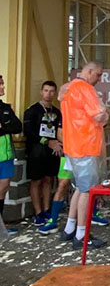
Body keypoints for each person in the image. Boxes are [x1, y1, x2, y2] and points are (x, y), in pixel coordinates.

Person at [59, 62, 107, 249]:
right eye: (98, 75)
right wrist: (105, 111)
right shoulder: (86, 89)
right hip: (86, 144)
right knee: (87, 191)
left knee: (80, 188)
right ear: (89, 71)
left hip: (71, 145)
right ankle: (81, 234)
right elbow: (98, 116)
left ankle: (69, 228)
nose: (99, 79)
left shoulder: (68, 88)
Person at [23, 81, 62, 229]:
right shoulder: (32, 110)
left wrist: (58, 144)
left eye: (51, 91)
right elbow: (28, 131)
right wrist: (46, 141)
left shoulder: (57, 112)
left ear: (55, 93)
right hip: (36, 151)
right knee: (36, 180)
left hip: (52, 151)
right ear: (41, 92)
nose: (48, 94)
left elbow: (59, 131)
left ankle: (46, 210)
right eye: (46, 90)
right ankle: (38, 213)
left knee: (48, 179)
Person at [0, 75, 22, 235]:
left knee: (3, 187)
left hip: (6, 155)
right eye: (0, 84)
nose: (3, 87)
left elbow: (17, 126)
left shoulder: (5, 108)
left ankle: (1, 224)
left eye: (3, 83)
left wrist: (3, 127)